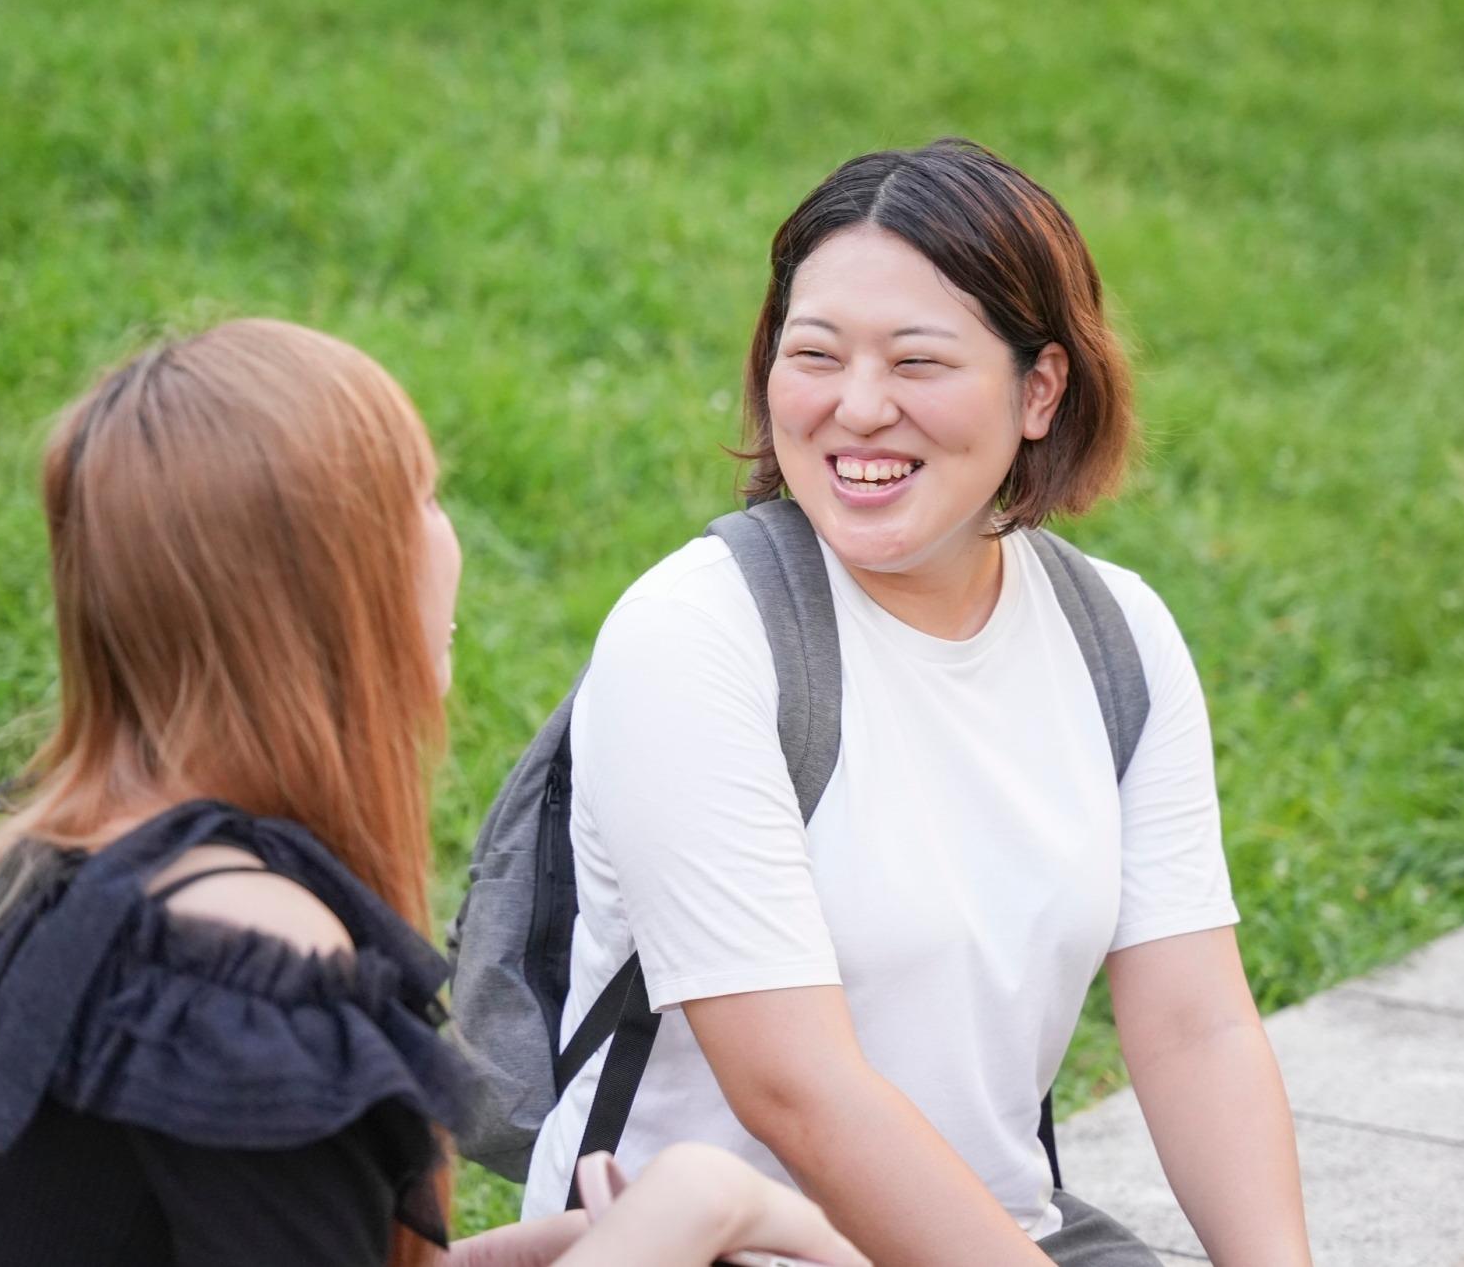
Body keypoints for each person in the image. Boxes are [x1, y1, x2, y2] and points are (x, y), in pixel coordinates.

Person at [0, 319, 867, 1267]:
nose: (447, 540)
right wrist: (702, 1201)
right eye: (420, 497)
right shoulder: (239, 966)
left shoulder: (71, 867)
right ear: (327, 589)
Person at [520, 141, 1315, 1265]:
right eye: (814, 355)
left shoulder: (1116, 639)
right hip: (708, 1249)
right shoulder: (697, 636)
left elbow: (1196, 1025)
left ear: (1039, 390)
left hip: (1002, 1237)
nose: (856, 408)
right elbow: (796, 1089)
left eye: (917, 362)